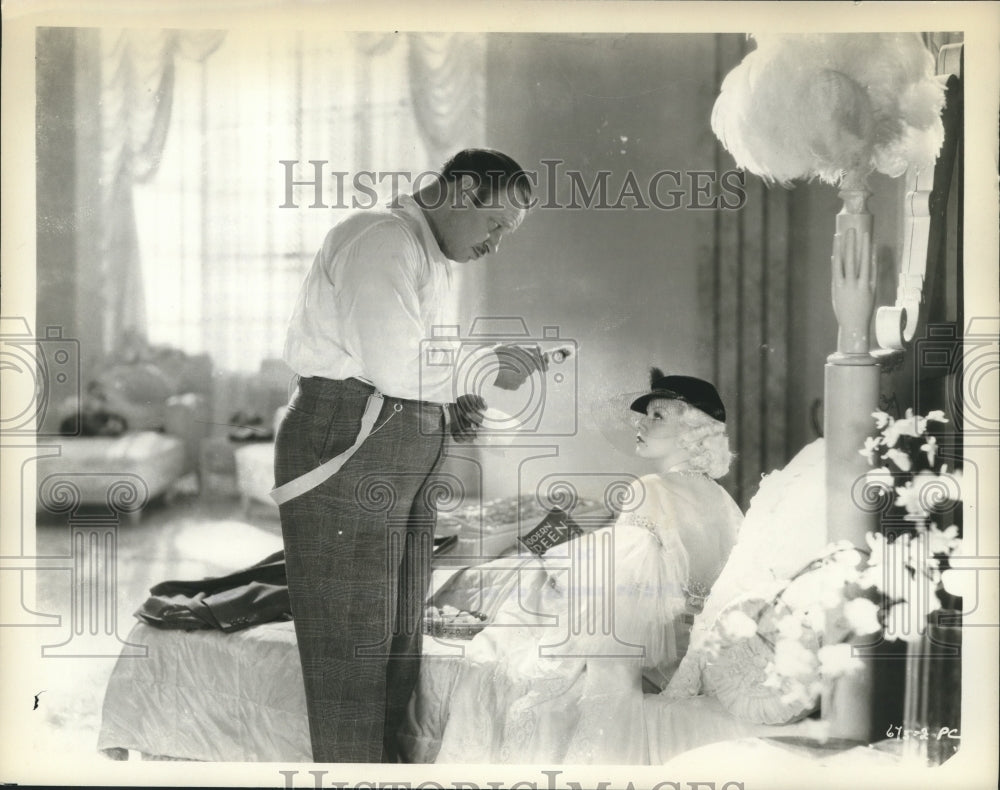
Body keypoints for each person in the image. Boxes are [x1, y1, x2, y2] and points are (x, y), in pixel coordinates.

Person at [274, 149, 548, 763]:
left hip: (396, 444)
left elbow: (416, 366)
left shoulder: (429, 254)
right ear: (465, 189)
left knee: (397, 640)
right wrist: (480, 365)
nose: (496, 243)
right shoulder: (382, 238)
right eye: (495, 224)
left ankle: (384, 774)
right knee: (352, 648)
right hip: (346, 443)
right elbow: (395, 364)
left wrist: (455, 401)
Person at [424, 370, 743, 764]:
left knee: (505, 641)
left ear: (693, 432)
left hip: (644, 650)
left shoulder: (651, 489)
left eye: (657, 416)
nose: (639, 423)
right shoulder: (725, 502)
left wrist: (556, 573)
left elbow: (617, 603)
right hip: (684, 648)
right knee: (535, 575)